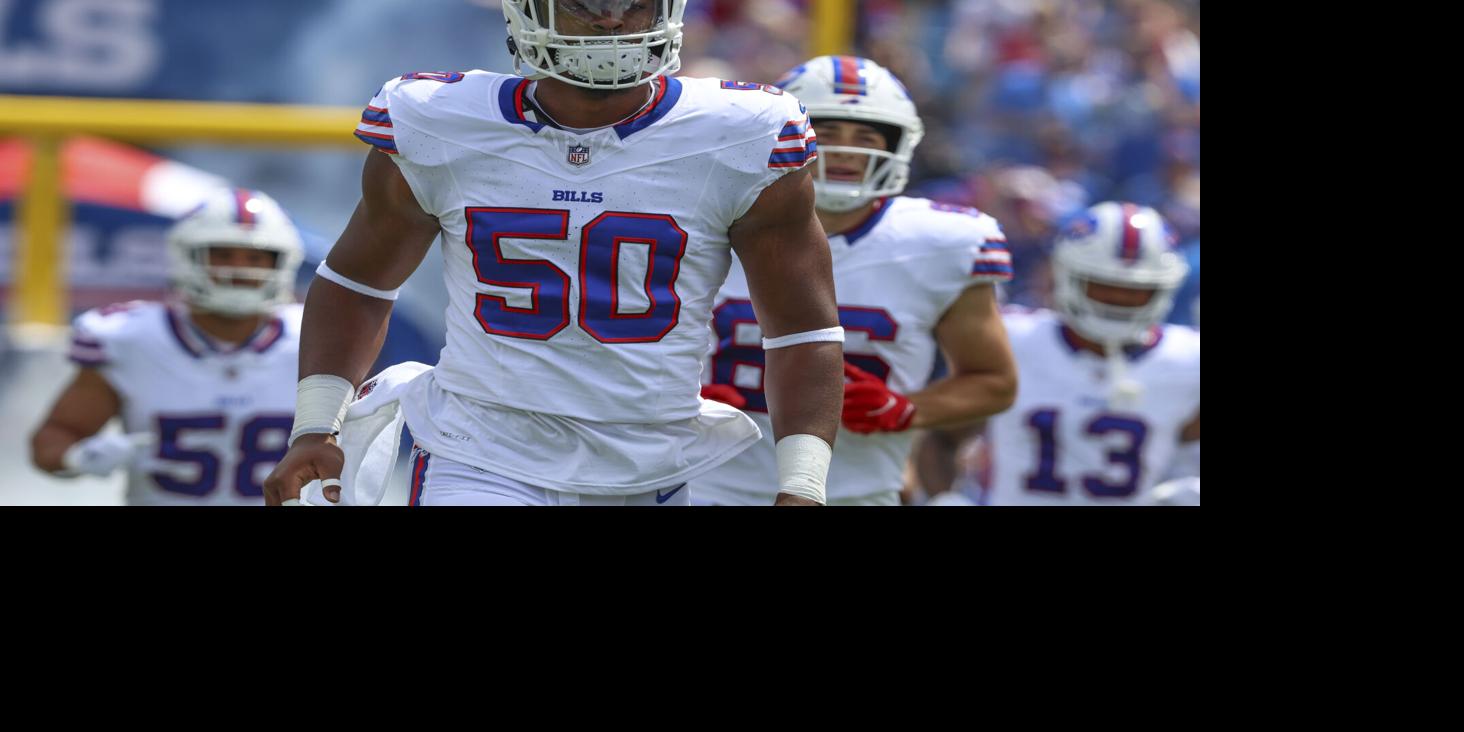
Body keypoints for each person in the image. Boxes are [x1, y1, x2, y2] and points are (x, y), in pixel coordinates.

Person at [263, 0, 843, 507]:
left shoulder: (741, 134)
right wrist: (316, 426)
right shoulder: (441, 120)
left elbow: (803, 331)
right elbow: (358, 282)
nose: (614, 19)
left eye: (634, 3)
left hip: (651, 465)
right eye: (585, 4)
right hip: (480, 452)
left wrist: (804, 486)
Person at [693, 55, 1017, 506]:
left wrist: (907, 409)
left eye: (866, 137)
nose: (846, 151)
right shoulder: (708, 218)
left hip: (857, 494)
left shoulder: (943, 243)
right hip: (701, 488)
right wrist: (683, 394)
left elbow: (993, 380)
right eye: (827, 135)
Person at [30, 188, 305, 505]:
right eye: (223, 255)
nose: (238, 269)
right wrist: (77, 457)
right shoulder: (131, 338)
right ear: (187, 256)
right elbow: (54, 439)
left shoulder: (314, 337)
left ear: (281, 263)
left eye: (255, 258)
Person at [982, 202, 1199, 506]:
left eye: (1136, 290)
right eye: (1103, 286)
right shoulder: (1014, 339)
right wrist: (943, 495)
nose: (1118, 299)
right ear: (1068, 275)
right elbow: (944, 437)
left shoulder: (1189, 361)